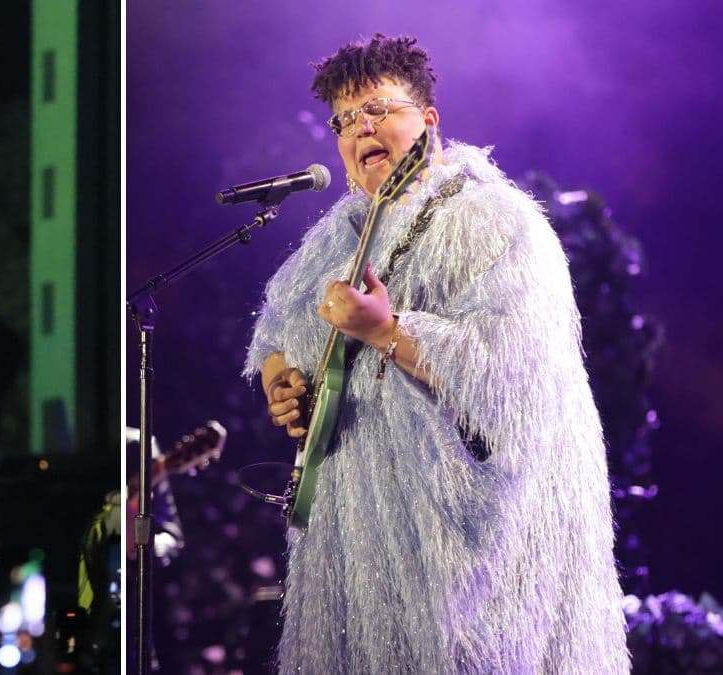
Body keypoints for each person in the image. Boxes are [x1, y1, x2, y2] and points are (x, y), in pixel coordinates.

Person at [244, 35, 629, 672]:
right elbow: (278, 332)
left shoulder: (499, 221)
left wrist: (388, 330)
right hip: (354, 535)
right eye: (344, 120)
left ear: (427, 120)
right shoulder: (333, 237)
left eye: (377, 110)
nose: (359, 128)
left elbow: (515, 374)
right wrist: (280, 381)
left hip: (464, 547)